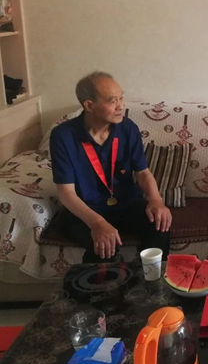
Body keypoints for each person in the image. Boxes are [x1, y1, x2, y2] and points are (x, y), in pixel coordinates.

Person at [49, 71, 171, 262]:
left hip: (126, 203)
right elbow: (66, 193)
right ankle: (99, 281)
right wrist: (97, 223)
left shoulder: (128, 128)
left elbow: (142, 172)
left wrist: (156, 200)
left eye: (121, 98)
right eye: (113, 101)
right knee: (103, 247)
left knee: (159, 227)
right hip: (85, 209)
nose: (121, 106)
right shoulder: (63, 136)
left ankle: (149, 278)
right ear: (89, 105)